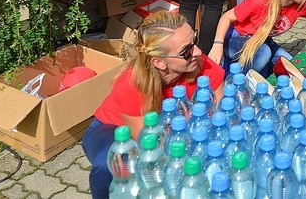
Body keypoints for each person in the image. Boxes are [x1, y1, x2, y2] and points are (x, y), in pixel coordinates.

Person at [82, 12, 224, 199]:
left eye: (194, 41)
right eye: (186, 51)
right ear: (159, 62)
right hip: (115, 129)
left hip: (174, 133)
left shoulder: (202, 65)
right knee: (112, 165)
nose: (197, 52)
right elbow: (149, 146)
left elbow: (222, 119)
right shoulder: (131, 84)